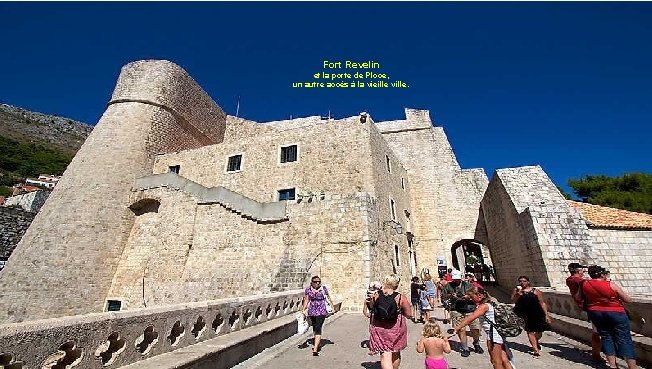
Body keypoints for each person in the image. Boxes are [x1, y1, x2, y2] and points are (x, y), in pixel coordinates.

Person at [577, 265, 638, 369]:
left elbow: (578, 297)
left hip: (596, 313)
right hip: (616, 313)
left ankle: (612, 366)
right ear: (601, 274)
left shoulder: (584, 284)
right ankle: (632, 367)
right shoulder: (611, 285)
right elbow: (627, 299)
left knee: (606, 337)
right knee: (624, 339)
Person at [453, 287, 513, 369]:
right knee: (504, 359)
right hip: (499, 333)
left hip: (493, 336)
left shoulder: (484, 306)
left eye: (472, 297)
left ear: (479, 296)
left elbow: (471, 318)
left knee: (495, 361)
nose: (471, 299)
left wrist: (457, 328)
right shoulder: (491, 302)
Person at [363, 274, 413, 369]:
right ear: (396, 284)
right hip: (396, 328)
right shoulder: (400, 298)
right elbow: (409, 314)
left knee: (385, 353)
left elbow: (370, 309)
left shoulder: (376, 295)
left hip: (379, 327)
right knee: (395, 352)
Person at [566, 262, 603, 363]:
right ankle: (596, 355)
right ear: (578, 271)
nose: (583, 272)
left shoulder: (569, 280)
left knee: (597, 332)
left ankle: (596, 353)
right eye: (582, 270)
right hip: (594, 307)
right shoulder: (581, 281)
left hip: (588, 307)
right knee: (597, 333)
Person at [441, 270, 482, 357]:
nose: (456, 281)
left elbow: (476, 295)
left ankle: (476, 343)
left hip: (470, 309)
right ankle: (465, 347)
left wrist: (468, 296)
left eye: (458, 279)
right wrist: (451, 295)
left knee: (475, 328)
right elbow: (443, 296)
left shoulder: (468, 285)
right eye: (455, 279)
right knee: (461, 329)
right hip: (456, 309)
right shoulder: (448, 286)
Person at [511, 275, 551, 357]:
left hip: (537, 312)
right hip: (525, 313)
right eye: (521, 281)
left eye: (524, 281)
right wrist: (518, 294)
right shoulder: (517, 290)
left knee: (539, 331)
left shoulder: (536, 291)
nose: (522, 283)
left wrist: (546, 314)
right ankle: (535, 349)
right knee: (530, 330)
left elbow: (542, 302)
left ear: (528, 282)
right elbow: (513, 300)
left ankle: (535, 341)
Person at [302, 275, 334, 356]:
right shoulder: (308, 290)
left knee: (318, 327)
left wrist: (332, 306)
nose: (317, 283)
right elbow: (307, 300)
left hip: (321, 311)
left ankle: (315, 349)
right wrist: (303, 310)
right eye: (315, 282)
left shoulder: (323, 289)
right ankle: (318, 342)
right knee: (314, 326)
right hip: (312, 311)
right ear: (311, 283)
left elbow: (328, 298)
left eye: (319, 282)